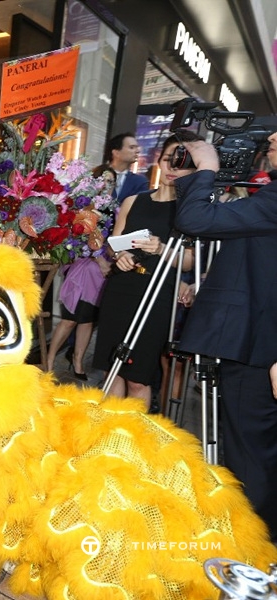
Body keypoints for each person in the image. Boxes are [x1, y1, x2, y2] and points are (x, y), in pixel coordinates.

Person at [174, 134, 277, 539]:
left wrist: (208, 169)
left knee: (252, 456)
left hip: (258, 348)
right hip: (255, 343)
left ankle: (253, 551)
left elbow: (196, 221)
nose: (270, 139)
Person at [92, 132, 198, 408]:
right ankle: (106, 438)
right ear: (158, 161)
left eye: (181, 162)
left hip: (157, 297)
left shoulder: (189, 212)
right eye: (167, 160)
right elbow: (112, 246)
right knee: (111, 370)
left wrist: (162, 249)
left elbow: (189, 262)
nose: (172, 168)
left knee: (139, 378)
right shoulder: (133, 201)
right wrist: (121, 255)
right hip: (121, 290)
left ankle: (133, 444)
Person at [45, 167, 116, 380]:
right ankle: (49, 359)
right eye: (103, 180)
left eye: (111, 181)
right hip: (82, 270)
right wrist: (99, 258)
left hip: (102, 274)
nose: (107, 185)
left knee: (88, 320)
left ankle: (77, 360)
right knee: (70, 319)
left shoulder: (115, 209)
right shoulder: (83, 205)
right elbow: (77, 238)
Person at [103, 132, 148, 203]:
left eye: (137, 148)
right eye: (132, 147)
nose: (137, 151)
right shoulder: (97, 175)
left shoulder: (140, 182)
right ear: (116, 152)